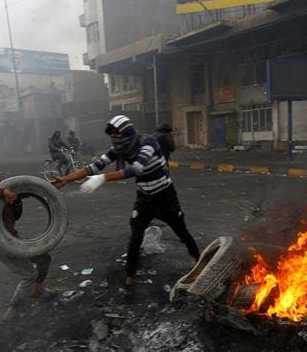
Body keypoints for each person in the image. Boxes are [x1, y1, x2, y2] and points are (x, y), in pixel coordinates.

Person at [51, 115, 200, 286]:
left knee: (182, 232)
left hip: (165, 196)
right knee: (136, 237)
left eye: (117, 135)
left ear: (127, 134)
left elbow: (137, 169)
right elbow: (95, 166)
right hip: (144, 198)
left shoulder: (148, 142)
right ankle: (130, 277)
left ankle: (199, 260)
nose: (114, 139)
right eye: (112, 136)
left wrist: (102, 178)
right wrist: (65, 179)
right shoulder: (120, 148)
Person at [0, 157, 53, 320]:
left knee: (44, 258)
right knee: (28, 274)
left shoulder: (2, 193)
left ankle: (38, 290)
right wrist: (4, 192)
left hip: (13, 239)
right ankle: (12, 309)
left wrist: (17, 201)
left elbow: (16, 216)